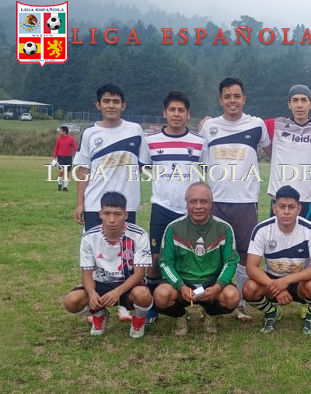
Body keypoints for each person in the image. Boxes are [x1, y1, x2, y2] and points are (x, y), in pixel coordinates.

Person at [200, 77, 272, 322]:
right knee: (212, 254)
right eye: (227, 96)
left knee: (244, 253)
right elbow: (201, 161)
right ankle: (211, 301)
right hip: (216, 201)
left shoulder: (256, 125)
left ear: (244, 99)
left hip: (246, 200)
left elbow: (275, 153)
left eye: (237, 96)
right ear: (220, 100)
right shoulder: (209, 127)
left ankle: (240, 303)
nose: (232, 100)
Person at [153, 184, 240, 336]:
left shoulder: (224, 228)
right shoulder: (173, 228)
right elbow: (165, 263)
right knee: (161, 295)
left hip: (211, 282)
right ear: (186, 203)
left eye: (203, 202)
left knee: (232, 297)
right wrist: (181, 286)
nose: (198, 206)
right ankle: (181, 316)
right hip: (182, 282)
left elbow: (230, 262)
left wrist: (218, 287)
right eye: (193, 201)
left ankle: (210, 315)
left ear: (211, 204)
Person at [62, 191, 153, 338]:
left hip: (129, 284)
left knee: (143, 295)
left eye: (117, 214)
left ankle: (139, 319)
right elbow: (87, 273)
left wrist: (117, 292)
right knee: (71, 302)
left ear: (126, 215)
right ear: (100, 214)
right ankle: (99, 314)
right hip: (101, 284)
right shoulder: (89, 237)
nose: (112, 219)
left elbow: (139, 274)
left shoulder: (139, 235)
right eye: (107, 213)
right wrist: (92, 294)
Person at [243, 186, 311, 334]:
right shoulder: (262, 230)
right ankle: (271, 312)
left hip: (299, 282)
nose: (286, 211)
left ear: (299, 208)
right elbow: (251, 267)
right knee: (249, 288)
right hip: (272, 282)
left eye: (291, 207)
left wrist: (286, 281)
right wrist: (276, 286)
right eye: (282, 206)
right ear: (274, 208)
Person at [146, 91, 206, 290]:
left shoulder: (199, 142)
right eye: (172, 109)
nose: (176, 114)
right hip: (161, 207)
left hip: (190, 209)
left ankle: (190, 297)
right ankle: (152, 301)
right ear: (164, 113)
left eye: (181, 110)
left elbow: (208, 171)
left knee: (192, 255)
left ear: (188, 114)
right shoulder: (150, 141)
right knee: (155, 257)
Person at [73, 83, 151, 231]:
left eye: (116, 102)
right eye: (106, 101)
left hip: (127, 205)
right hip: (95, 204)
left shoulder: (135, 130)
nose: (111, 106)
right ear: (98, 105)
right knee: (95, 245)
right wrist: (80, 204)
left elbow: (142, 164)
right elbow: (83, 171)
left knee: (125, 245)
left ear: (123, 106)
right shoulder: (89, 133)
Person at [265, 84, 311, 230]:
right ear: (289, 104)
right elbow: (246, 125)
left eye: (304, 100)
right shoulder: (276, 124)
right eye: (295, 100)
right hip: (280, 200)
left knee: (310, 244)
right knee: (277, 243)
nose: (299, 105)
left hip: (309, 199)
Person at [52, 125, 78, 191]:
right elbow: (56, 148)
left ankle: (65, 187)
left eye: (60, 131)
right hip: (60, 157)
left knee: (67, 172)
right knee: (61, 171)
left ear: (64, 132)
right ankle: (60, 184)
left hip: (68, 158)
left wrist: (78, 155)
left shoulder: (71, 139)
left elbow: (75, 148)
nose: (59, 132)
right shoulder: (59, 139)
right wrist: (54, 157)